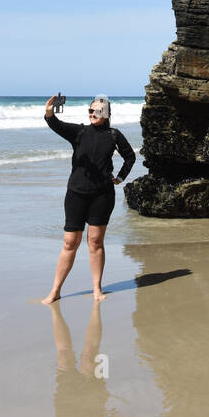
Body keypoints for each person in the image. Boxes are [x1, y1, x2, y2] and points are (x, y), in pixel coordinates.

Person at [42, 95, 136, 304]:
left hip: (102, 196)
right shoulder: (80, 132)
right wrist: (49, 110)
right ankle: (55, 290)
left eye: (98, 111)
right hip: (76, 193)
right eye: (90, 111)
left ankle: (96, 288)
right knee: (70, 242)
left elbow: (130, 156)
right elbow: (55, 124)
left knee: (95, 241)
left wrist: (120, 177)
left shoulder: (114, 135)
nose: (93, 114)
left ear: (107, 114)